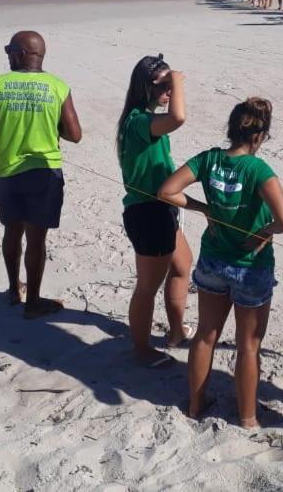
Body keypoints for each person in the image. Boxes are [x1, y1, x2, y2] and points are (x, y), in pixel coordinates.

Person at [158, 97, 283, 429]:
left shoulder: (209, 159)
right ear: (260, 136)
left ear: (232, 129)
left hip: (214, 260)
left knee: (206, 334)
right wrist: (262, 235)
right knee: (249, 345)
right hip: (250, 266)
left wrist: (204, 208)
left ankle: (195, 405)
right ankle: (248, 418)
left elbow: (167, 191)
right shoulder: (258, 169)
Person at [0, 31, 83, 318]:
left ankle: (14, 290)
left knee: (12, 231)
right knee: (36, 238)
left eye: (10, 51)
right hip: (43, 172)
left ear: (22, 53)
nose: (8, 56)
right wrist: (53, 127)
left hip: (7, 172)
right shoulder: (57, 86)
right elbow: (75, 134)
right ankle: (33, 300)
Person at [116, 55, 193, 366]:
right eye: (163, 86)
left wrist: (170, 82)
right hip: (147, 212)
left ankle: (176, 331)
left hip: (163, 209)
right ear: (146, 87)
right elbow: (178, 118)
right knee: (147, 287)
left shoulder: (144, 119)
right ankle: (142, 350)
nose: (170, 92)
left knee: (182, 266)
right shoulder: (138, 122)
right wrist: (175, 78)